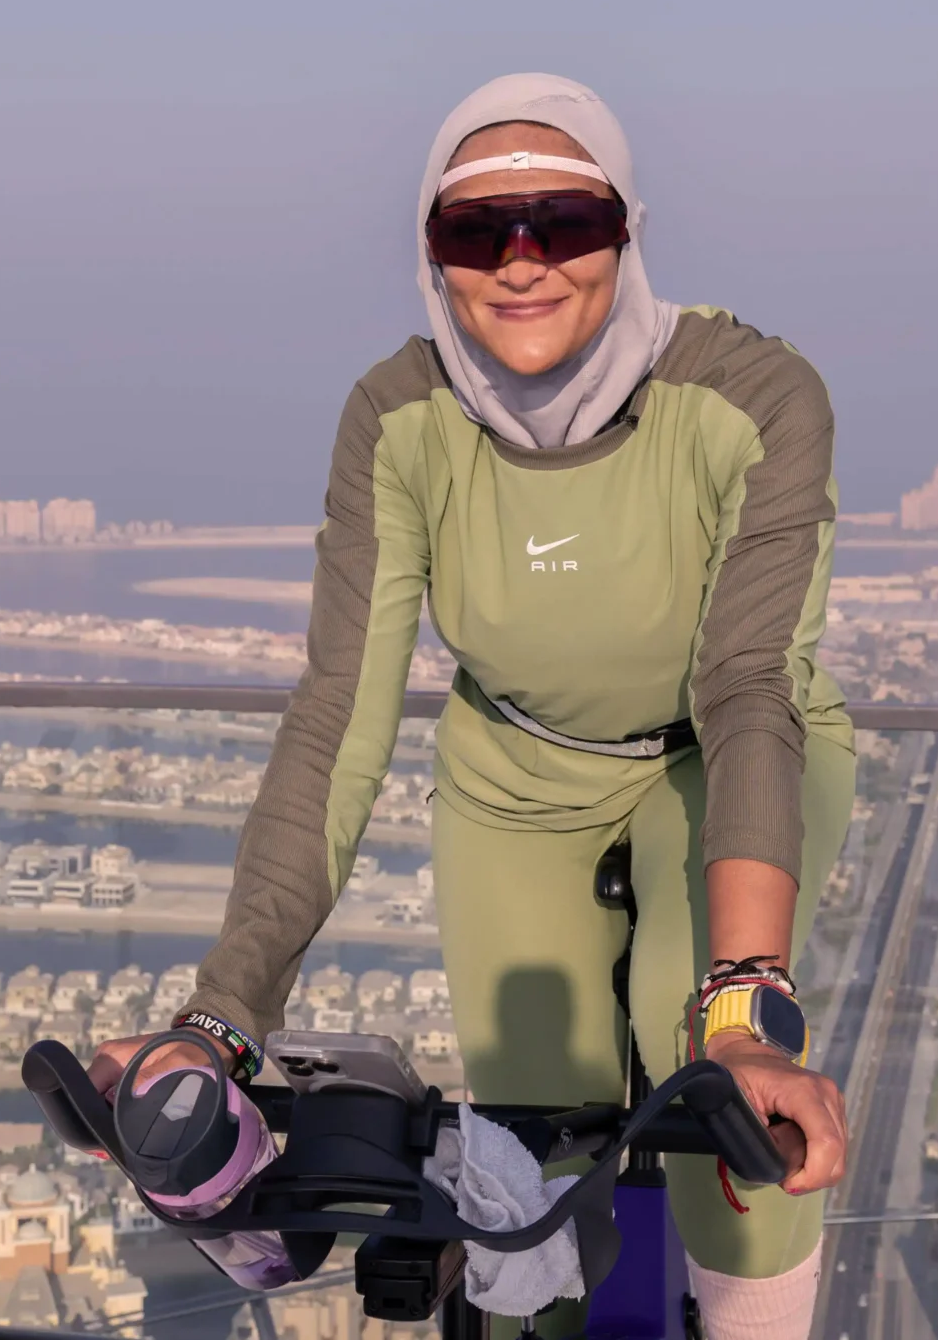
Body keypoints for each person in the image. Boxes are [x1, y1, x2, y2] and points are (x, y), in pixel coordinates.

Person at [93, 73, 856, 1340]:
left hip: (726, 760)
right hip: (518, 773)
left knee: (727, 1112)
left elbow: (746, 686)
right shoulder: (399, 420)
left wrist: (748, 1009)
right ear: (430, 258)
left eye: (562, 222)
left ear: (628, 231)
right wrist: (219, 1020)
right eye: (473, 232)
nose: (520, 263)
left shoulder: (752, 397)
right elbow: (340, 713)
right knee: (521, 1163)